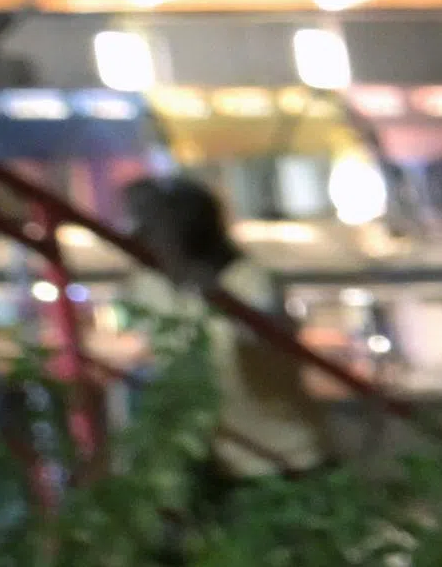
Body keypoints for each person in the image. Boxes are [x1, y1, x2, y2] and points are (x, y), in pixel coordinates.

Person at [118, 177, 334, 490]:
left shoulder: (248, 282)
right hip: (211, 459)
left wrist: (223, 302)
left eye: (157, 231)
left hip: (283, 455)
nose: (145, 239)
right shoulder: (150, 284)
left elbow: (274, 332)